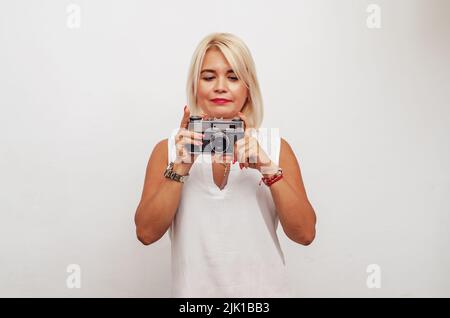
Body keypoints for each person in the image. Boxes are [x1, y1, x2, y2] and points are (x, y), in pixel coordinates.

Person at [134, 33, 316, 297]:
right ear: (195, 86)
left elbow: (305, 234)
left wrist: (268, 168)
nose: (220, 86)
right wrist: (181, 166)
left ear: (248, 87)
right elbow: (146, 233)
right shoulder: (169, 149)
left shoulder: (275, 147)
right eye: (208, 77)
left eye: (233, 77)